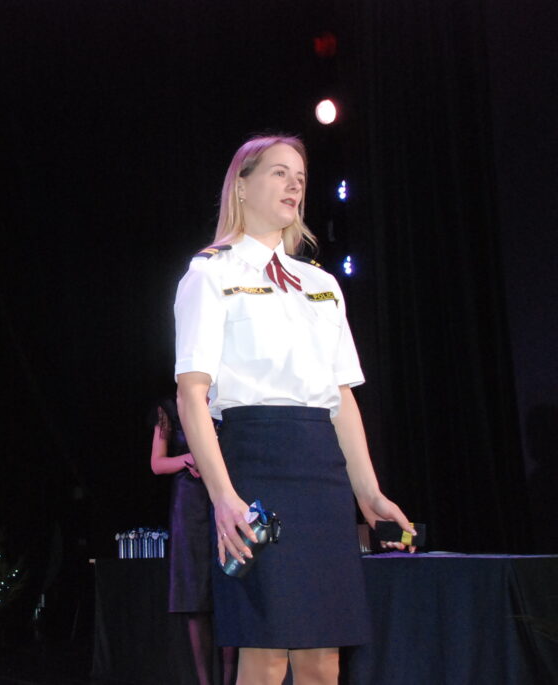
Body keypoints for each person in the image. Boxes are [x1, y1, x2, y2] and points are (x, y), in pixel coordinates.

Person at [173, 134, 415, 685]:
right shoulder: (211, 273)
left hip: (321, 474)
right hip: (255, 466)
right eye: (279, 173)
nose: (294, 185)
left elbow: (341, 399)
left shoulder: (321, 284)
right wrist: (223, 497)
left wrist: (369, 493)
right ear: (242, 185)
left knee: (322, 657)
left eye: (300, 178)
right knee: (265, 650)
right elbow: (191, 395)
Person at [150, 398, 236, 685]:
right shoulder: (169, 409)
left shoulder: (228, 400)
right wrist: (190, 458)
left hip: (226, 496)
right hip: (188, 504)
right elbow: (157, 463)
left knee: (229, 593)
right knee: (194, 596)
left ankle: (230, 680)